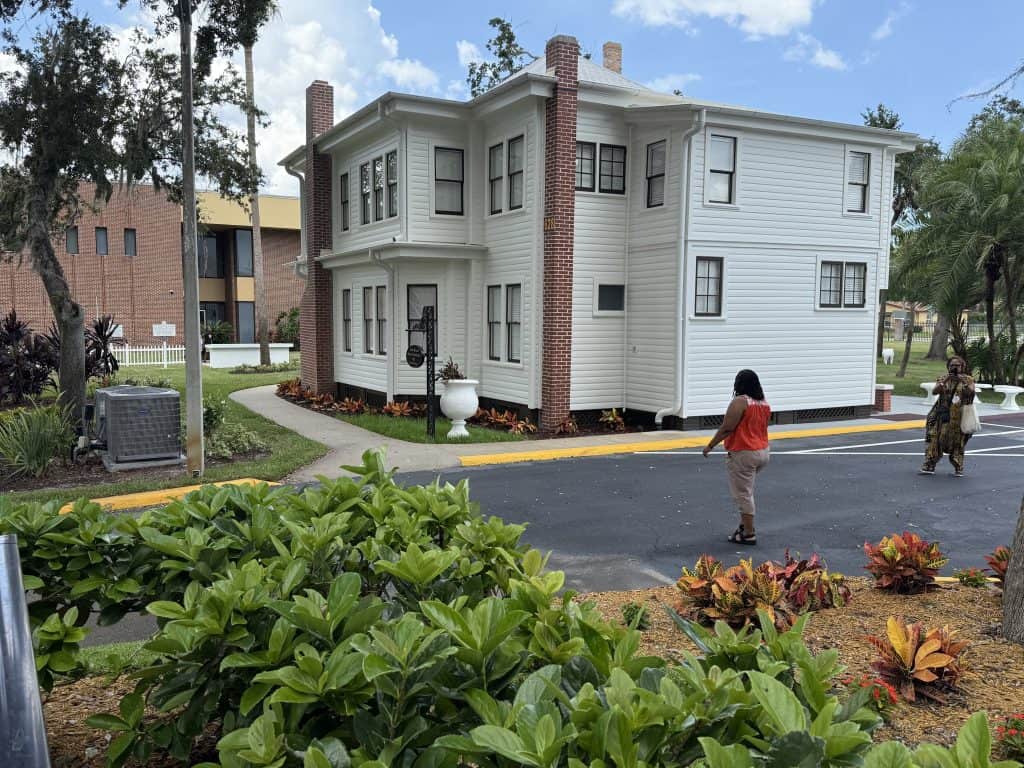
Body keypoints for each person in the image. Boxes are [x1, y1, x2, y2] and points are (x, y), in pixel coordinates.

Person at [702, 369, 771, 545]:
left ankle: (748, 533)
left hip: (744, 452)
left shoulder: (740, 402)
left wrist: (710, 445)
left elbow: (727, 427)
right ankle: (743, 526)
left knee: (743, 495)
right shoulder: (763, 403)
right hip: (763, 452)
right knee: (746, 490)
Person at [921, 356, 975, 477]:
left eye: (957, 365)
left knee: (958, 442)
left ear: (962, 367)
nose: (954, 368)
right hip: (942, 414)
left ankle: (958, 467)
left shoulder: (968, 379)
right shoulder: (943, 378)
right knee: (935, 438)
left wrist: (963, 382)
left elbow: (970, 393)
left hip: (959, 416)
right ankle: (929, 464)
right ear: (948, 367)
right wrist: (945, 381)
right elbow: (935, 391)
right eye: (952, 365)